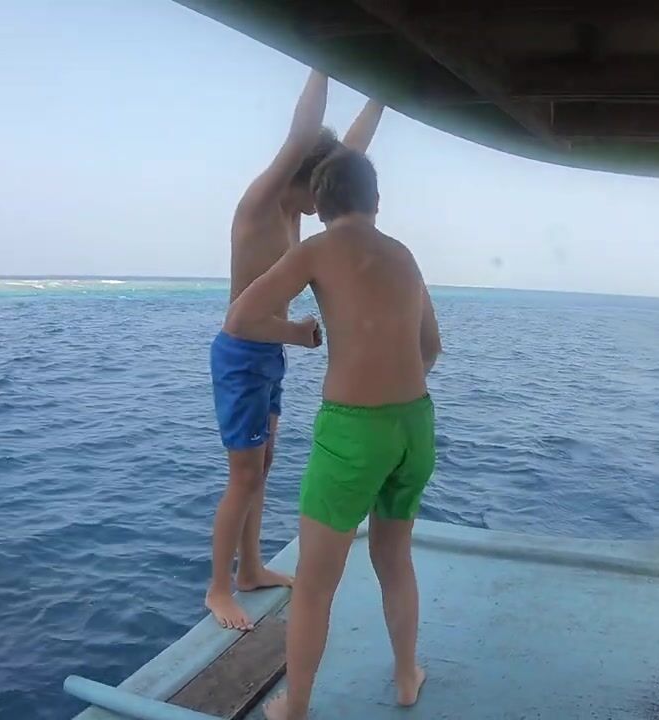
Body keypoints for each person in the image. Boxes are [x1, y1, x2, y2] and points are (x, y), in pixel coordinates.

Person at [224, 148, 441, 720]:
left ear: (318, 206)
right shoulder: (404, 254)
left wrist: (299, 333)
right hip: (415, 425)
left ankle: (295, 706)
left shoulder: (316, 249)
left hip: (352, 432)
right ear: (377, 200)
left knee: (316, 584)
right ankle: (406, 677)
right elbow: (432, 347)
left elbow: (240, 318)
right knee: (395, 558)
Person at [206, 69, 386, 631]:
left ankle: (251, 568)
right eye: (319, 188)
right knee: (243, 475)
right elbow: (303, 132)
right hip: (241, 354)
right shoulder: (261, 203)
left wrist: (384, 92)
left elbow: (348, 154)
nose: (324, 202)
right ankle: (218, 588)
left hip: (269, 356)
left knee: (262, 467)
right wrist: (323, 59)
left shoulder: (292, 213)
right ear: (302, 175)